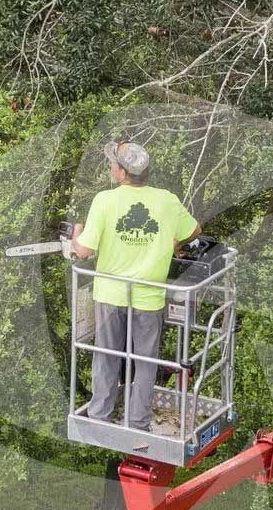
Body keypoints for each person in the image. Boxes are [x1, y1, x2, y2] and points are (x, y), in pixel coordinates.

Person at [71, 141, 199, 442]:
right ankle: (139, 421)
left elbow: (84, 250)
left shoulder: (105, 201)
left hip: (110, 294)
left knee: (106, 355)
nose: (111, 167)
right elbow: (194, 230)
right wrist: (173, 244)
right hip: (149, 296)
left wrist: (76, 235)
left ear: (121, 172)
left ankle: (100, 415)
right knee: (146, 362)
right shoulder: (166, 200)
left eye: (113, 163)